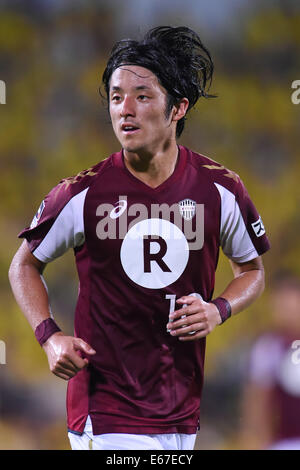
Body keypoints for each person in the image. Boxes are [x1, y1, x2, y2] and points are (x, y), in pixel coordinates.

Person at [8, 26, 270, 451]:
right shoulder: (81, 193)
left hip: (181, 414)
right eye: (115, 97)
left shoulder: (221, 190)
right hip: (107, 411)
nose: (124, 110)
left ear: (178, 107)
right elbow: (23, 264)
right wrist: (49, 335)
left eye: (142, 96)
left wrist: (219, 310)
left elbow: (253, 270)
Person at [239, 273, 300, 450]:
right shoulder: (270, 346)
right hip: (286, 442)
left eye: (290, 305)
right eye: (280, 305)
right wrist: (257, 438)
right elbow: (258, 400)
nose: (284, 311)